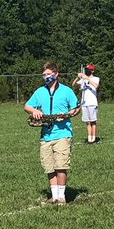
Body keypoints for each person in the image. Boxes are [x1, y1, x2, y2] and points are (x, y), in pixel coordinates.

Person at [24, 62, 79, 205]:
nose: (46, 77)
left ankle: (61, 197)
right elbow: (27, 106)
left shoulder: (66, 91)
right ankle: (54, 196)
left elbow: (76, 108)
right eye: (44, 75)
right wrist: (34, 111)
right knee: (49, 167)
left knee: (61, 166)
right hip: (46, 135)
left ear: (56, 74)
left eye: (48, 74)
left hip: (63, 133)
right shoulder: (40, 92)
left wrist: (67, 115)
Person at [75, 64, 100, 143]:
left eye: (88, 70)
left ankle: (94, 138)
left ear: (92, 71)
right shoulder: (83, 79)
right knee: (87, 122)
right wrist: (78, 77)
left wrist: (87, 78)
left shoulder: (96, 78)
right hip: (84, 103)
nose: (87, 71)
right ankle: (89, 138)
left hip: (92, 102)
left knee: (93, 121)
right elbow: (73, 84)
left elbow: (96, 86)